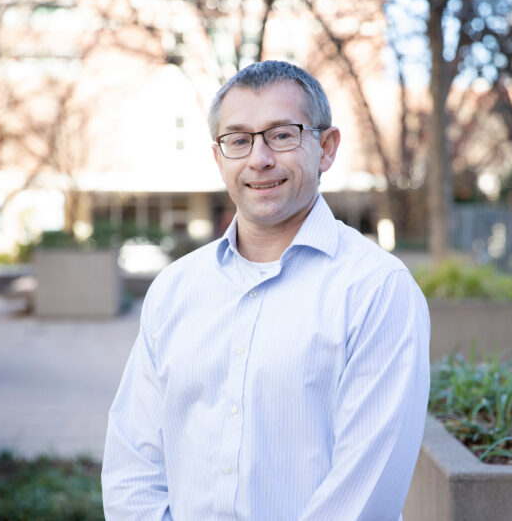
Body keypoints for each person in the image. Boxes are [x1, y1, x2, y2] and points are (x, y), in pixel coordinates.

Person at [102, 60, 430, 520]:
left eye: (281, 134)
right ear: (219, 158)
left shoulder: (377, 291)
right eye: (238, 140)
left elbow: (363, 498)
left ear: (327, 148)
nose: (259, 158)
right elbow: (132, 464)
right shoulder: (175, 289)